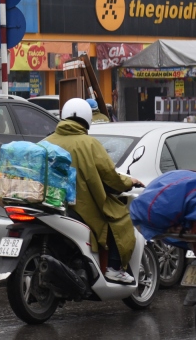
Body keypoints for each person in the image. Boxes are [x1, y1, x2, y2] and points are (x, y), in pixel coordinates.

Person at [44, 98, 141, 283]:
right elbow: (110, 176)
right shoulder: (90, 144)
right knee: (119, 217)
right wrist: (129, 182)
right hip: (81, 207)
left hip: (51, 203)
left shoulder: (46, 142)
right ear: (87, 119)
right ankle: (114, 267)